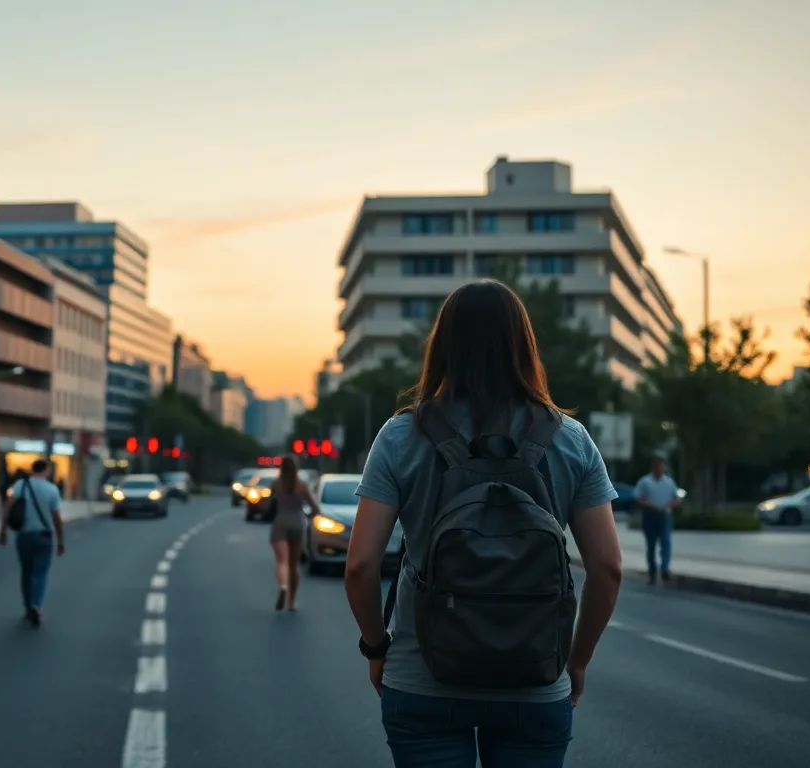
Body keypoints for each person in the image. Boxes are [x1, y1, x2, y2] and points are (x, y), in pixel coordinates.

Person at [343, 279, 623, 768]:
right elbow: (608, 568)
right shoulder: (571, 439)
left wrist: (375, 647)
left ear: (442, 345)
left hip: (423, 677)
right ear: (525, 344)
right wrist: (576, 659)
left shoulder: (400, 436)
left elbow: (361, 566)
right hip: (535, 683)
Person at [0, 459, 66, 627]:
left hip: (24, 535)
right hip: (44, 536)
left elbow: (8, 507)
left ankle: (27, 606)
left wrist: (3, 531)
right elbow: (56, 517)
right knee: (40, 572)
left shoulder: (22, 484)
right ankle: (36, 604)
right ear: (47, 470)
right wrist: (61, 540)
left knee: (26, 572)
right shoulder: (52, 489)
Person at [268, 455, 320, 612]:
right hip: (298, 523)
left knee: (281, 561)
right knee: (294, 565)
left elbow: (267, 505)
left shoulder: (276, 484)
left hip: (280, 522)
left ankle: (283, 586)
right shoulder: (302, 486)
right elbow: (316, 509)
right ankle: (292, 601)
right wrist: (306, 517)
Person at [634, 456, 680, 585]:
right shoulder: (645, 482)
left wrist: (671, 504)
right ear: (653, 467)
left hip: (665, 515)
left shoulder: (669, 482)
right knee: (651, 545)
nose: (660, 468)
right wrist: (649, 505)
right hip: (650, 516)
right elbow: (637, 498)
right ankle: (652, 572)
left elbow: (677, 498)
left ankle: (665, 568)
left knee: (666, 541)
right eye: (657, 466)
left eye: (662, 466)